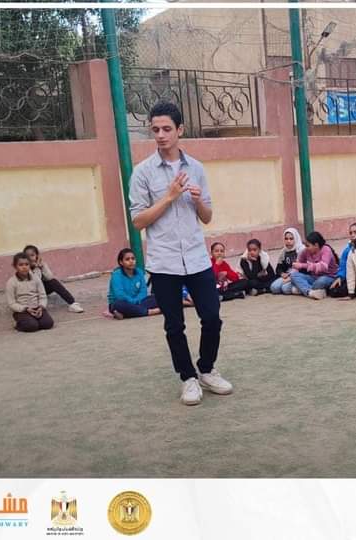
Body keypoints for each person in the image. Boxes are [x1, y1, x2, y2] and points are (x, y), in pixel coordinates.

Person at [129, 101, 232, 406]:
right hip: (164, 261)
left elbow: (207, 217)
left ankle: (206, 369)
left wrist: (198, 201)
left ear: (180, 130)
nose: (160, 135)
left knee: (212, 317)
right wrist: (169, 197)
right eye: (155, 129)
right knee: (174, 325)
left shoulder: (196, 168)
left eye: (166, 129)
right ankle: (188, 378)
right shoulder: (142, 172)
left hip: (197, 258)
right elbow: (138, 221)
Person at [23, 245, 84, 313]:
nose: (30, 258)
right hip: (31, 292)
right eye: (27, 256)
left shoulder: (40, 264)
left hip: (41, 290)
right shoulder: (23, 267)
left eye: (32, 255)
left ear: (37, 256)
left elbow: (50, 277)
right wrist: (34, 268)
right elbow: (33, 282)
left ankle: (72, 304)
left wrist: (41, 267)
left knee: (53, 282)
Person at [5, 252, 54, 332]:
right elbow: (11, 303)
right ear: (15, 266)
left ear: (30, 265)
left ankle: (33, 320)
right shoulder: (11, 282)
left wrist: (41, 307)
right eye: (21, 265)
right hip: (22, 310)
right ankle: (19, 324)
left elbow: (42, 296)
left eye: (27, 264)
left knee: (48, 324)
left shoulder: (35, 278)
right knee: (32, 326)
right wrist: (25, 308)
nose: (24, 267)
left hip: (37, 308)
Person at [107, 248, 161, 319]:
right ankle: (151, 312)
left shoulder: (139, 272)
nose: (131, 261)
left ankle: (125, 314)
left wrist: (136, 301)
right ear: (121, 262)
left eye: (133, 259)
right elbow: (119, 295)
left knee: (157, 298)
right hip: (122, 302)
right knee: (118, 305)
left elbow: (143, 291)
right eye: (127, 259)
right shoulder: (116, 275)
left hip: (139, 302)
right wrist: (132, 301)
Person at [289, 231, 340, 300]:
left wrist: (302, 266)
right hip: (313, 277)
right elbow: (297, 264)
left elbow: (323, 266)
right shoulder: (305, 251)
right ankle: (310, 292)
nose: (306, 247)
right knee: (294, 276)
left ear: (316, 245)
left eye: (308, 245)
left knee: (320, 282)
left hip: (329, 277)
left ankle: (302, 289)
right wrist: (293, 271)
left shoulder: (326, 249)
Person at [270, 227, 305, 295]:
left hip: (298, 276)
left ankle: (299, 287)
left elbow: (304, 269)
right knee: (274, 288)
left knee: (285, 289)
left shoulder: (301, 250)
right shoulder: (283, 251)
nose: (288, 241)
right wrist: (282, 274)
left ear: (296, 239)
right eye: (286, 239)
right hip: (286, 276)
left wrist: (290, 277)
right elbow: (279, 267)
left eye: (291, 239)